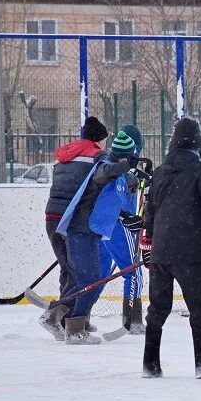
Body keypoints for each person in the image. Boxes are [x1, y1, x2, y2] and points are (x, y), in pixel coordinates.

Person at [141, 117, 201, 379]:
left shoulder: (159, 172)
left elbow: (150, 212)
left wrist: (149, 244)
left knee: (157, 309)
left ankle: (150, 365)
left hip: (160, 251)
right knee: (199, 309)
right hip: (188, 252)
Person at [54, 117, 139, 345]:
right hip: (81, 229)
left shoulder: (117, 175)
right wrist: (127, 165)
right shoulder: (102, 165)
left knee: (91, 279)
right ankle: (72, 328)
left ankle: (69, 323)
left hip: (90, 231)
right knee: (90, 279)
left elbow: (108, 206)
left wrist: (128, 217)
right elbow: (104, 173)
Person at [38, 116, 118, 339]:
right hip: (74, 221)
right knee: (87, 277)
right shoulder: (96, 156)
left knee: (70, 271)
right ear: (98, 139)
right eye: (105, 139)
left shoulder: (65, 155)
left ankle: (64, 321)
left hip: (52, 217)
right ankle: (59, 317)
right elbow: (106, 179)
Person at [97, 128, 148, 334]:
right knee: (133, 270)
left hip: (101, 228)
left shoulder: (108, 165)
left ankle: (71, 315)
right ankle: (133, 321)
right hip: (119, 226)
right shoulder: (123, 172)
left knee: (96, 274)